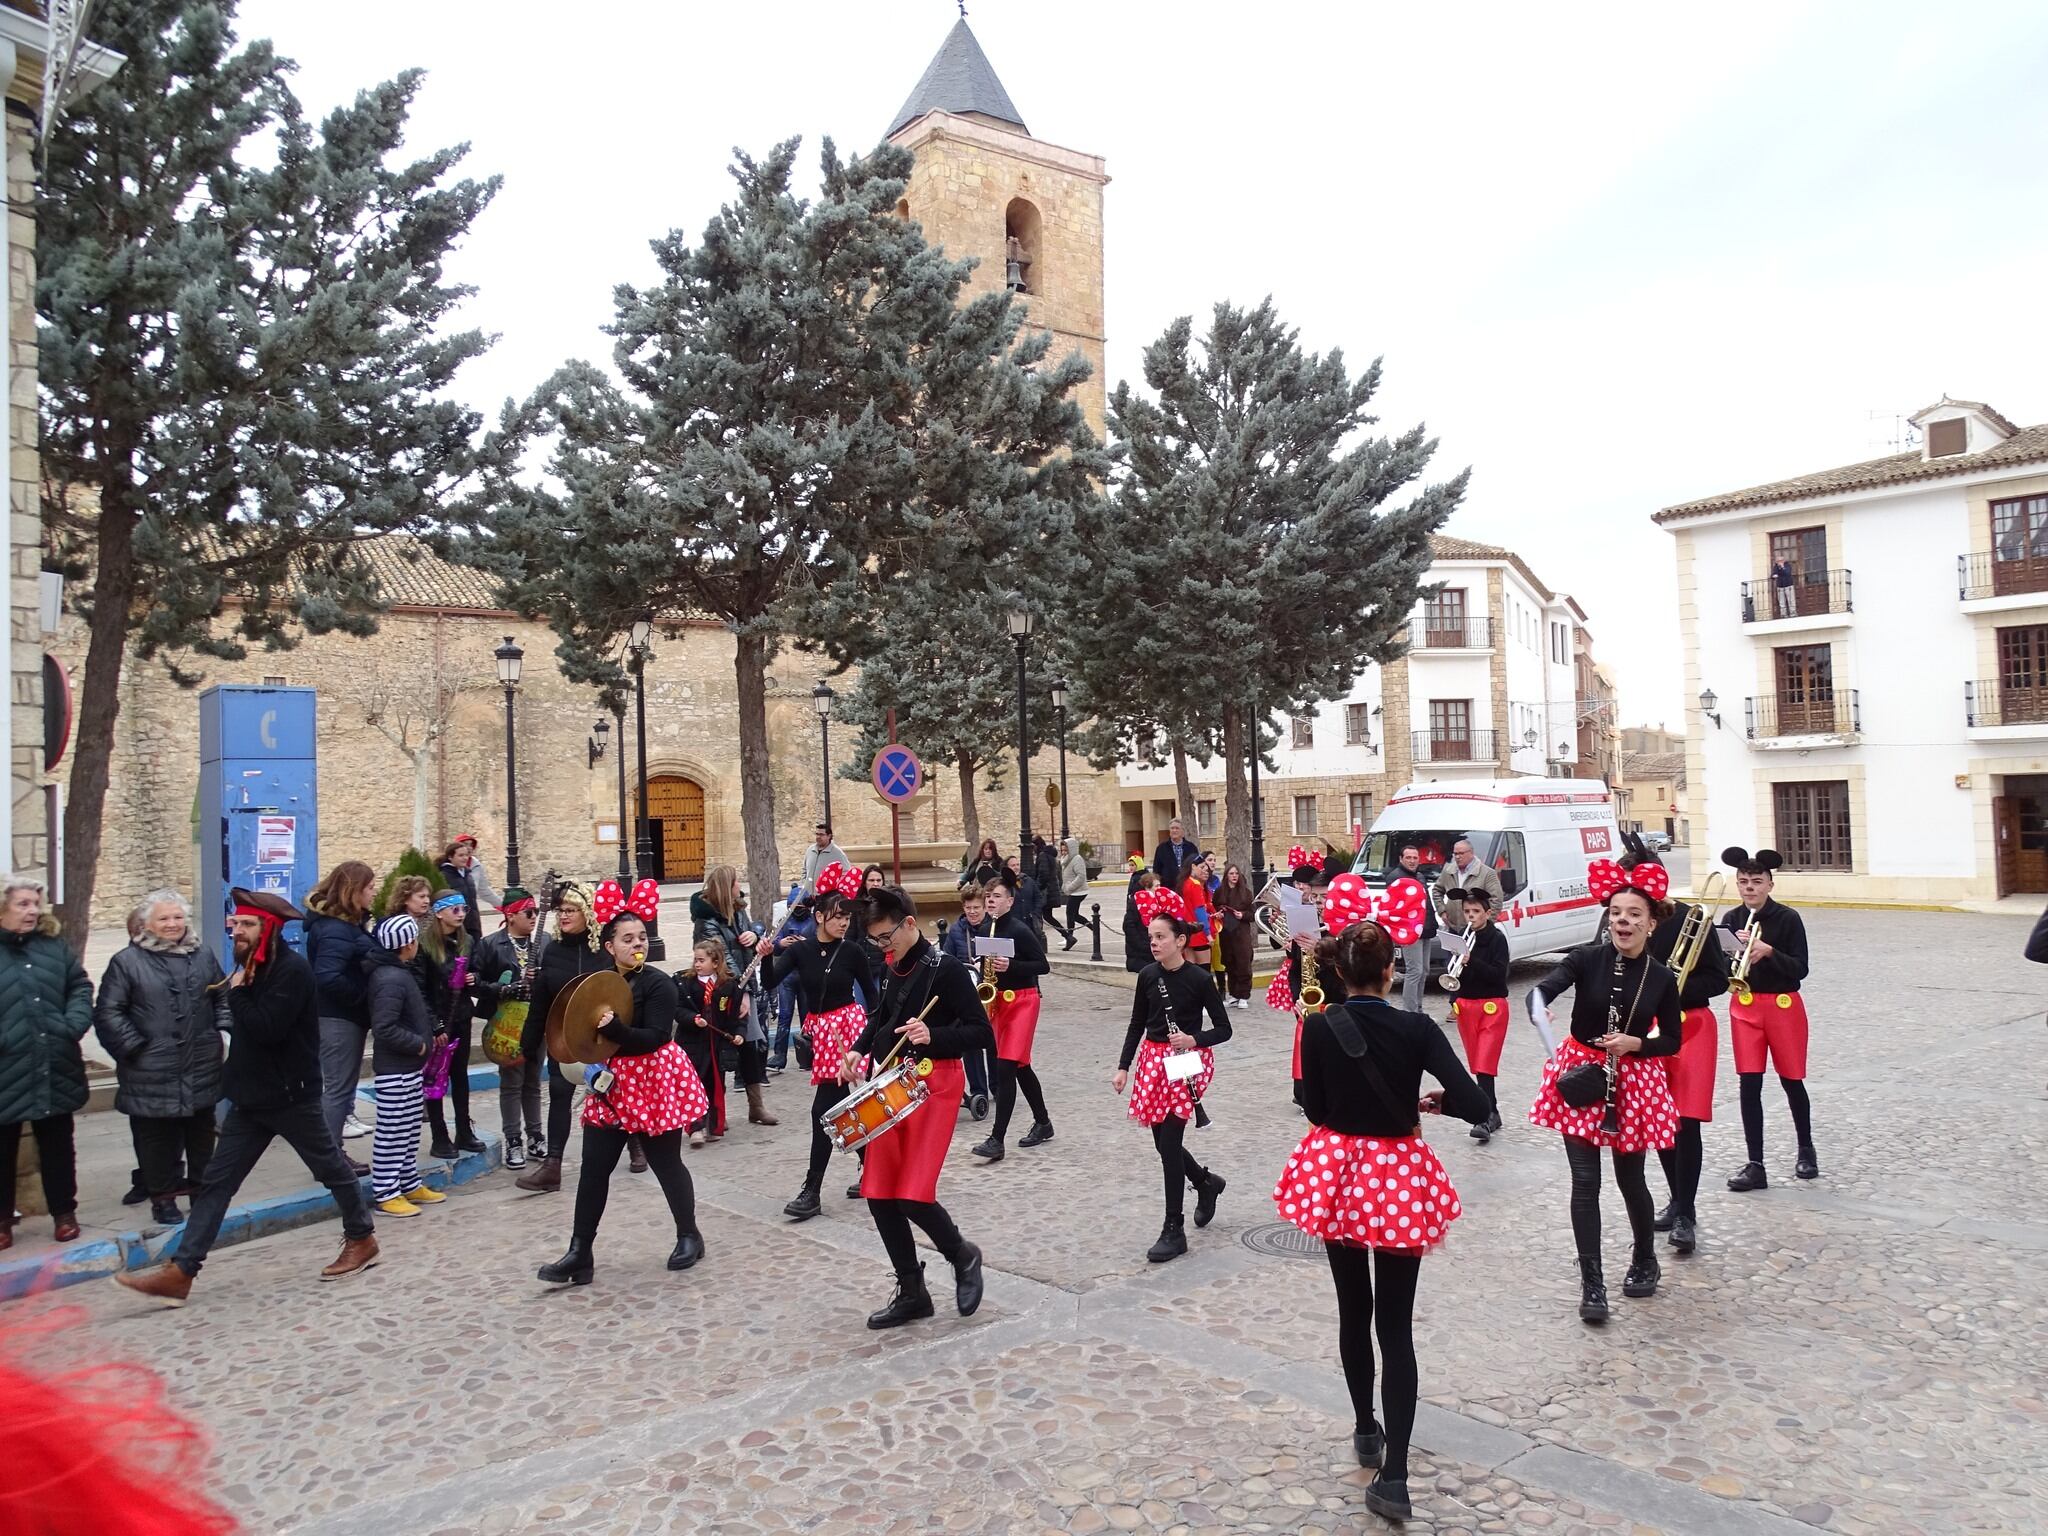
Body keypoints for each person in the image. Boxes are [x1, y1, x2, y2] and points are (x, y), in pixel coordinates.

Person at [1275, 919, 1490, 1523]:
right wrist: (1434, 1103)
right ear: (1392, 971)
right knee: (1397, 1327)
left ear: (1338, 974)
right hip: (1398, 1177)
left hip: (1341, 1175)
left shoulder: (1319, 1026)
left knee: (1353, 1308)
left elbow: (1313, 1106)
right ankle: (1394, 1476)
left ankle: (1366, 1429)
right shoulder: (1418, 1027)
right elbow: (1479, 1104)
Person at [115, 889, 378, 1304]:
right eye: (235, 924)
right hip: (252, 1098)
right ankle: (182, 1271)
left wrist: (235, 993)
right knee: (217, 1184)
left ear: (267, 929)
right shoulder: (251, 967)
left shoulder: (290, 972)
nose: (236, 931)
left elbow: (267, 1028)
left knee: (331, 1168)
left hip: (291, 1096)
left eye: (247, 925)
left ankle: (361, 1238)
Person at [1527, 861, 1682, 1323]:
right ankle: (1592, 1283)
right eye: (1616, 912)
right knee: (1585, 1182)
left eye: (1634, 914)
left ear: (1651, 923)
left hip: (1632, 1078)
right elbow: (1541, 993)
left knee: (1630, 1179)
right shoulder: (1585, 958)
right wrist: (1543, 1019)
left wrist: (1637, 1043)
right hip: (1582, 1077)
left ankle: (1644, 1258)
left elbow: (1672, 1039)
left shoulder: (1661, 976)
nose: (1623, 921)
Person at [537, 896, 709, 1285]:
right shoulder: (599, 982)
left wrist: (614, 1030)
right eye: (627, 938)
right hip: (611, 1085)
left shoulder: (659, 983)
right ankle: (580, 1253)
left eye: (642, 937)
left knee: (666, 1163)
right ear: (609, 946)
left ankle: (689, 1235)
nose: (637, 944)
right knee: (594, 1170)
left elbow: (655, 1036)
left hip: (650, 1083)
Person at [846, 886, 993, 1328]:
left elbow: (980, 1032)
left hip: (938, 1085)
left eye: (885, 937)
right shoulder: (894, 965)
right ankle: (913, 1291)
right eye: (874, 940)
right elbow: (882, 1018)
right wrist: (858, 1049)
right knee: (878, 1192)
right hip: (894, 1084)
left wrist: (935, 1036)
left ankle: (963, 1256)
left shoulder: (945, 970)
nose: (880, 947)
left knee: (912, 1194)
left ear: (910, 923)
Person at [92, 891, 230, 1227]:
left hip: (200, 1064)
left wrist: (222, 1035)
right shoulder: (128, 961)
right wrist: (136, 1048)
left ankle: (201, 1192)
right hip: (150, 1069)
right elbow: (109, 1012)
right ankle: (163, 1198)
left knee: (200, 1134)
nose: (172, 924)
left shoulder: (202, 955)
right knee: (157, 1140)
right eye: (164, 918)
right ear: (146, 925)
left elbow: (221, 998)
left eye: (178, 917)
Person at [1117, 888, 1231, 1262]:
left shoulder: (1199, 979)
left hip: (1186, 1060)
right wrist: (1123, 1067)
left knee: (1168, 1146)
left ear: (1180, 941)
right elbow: (1136, 1023)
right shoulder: (1147, 976)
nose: (1153, 942)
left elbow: (1224, 1029)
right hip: (1152, 1061)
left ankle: (1173, 1228)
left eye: (1161, 936)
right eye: (1151, 937)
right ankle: (1204, 1182)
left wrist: (1193, 1038)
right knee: (1161, 1144)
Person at [1630, 850, 1728, 1255]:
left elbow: (1718, 979)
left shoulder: (1694, 919)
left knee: (1687, 1121)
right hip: (1648, 1031)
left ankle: (1686, 1212)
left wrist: (1672, 987)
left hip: (1692, 1027)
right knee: (1662, 1122)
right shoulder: (1626, 921)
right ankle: (1677, 1199)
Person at [0, 876, 93, 1249]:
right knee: (2, 1148)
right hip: (7, 1065)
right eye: (23, 904)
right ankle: (3, 1220)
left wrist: (70, 1025)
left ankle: (64, 1213)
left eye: (36, 903)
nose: (32, 911)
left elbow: (80, 987)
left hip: (55, 1060)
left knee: (58, 1143)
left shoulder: (53, 947)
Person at [1719, 847, 1817, 1191]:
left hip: (1782, 1004)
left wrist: (1768, 951)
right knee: (1749, 1084)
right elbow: (1722, 971)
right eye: (1744, 882)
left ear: (1770, 884)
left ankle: (1806, 1149)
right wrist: (1731, 952)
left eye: (1757, 882)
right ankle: (1755, 1163)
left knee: (1792, 1080)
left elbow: (1801, 968)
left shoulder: (1787, 919)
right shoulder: (1731, 919)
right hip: (1745, 1006)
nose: (1750, 888)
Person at [780, 878, 874, 1221]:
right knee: (846, 1107)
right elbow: (772, 979)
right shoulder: (799, 950)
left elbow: (874, 999)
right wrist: (761, 954)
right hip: (821, 1035)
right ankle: (871, 1165)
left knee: (829, 1108)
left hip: (850, 1032)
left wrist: (872, 1039)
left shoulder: (852, 952)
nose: (843, 922)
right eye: (836, 916)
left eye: (847, 917)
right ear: (819, 916)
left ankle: (812, 1190)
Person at [515, 882, 611, 1194]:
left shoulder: (604, 950)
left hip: (602, 1038)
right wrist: (527, 1045)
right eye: (561, 911)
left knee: (613, 1092)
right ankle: (552, 1166)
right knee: (559, 1094)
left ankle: (637, 1145)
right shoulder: (553, 951)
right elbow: (540, 1005)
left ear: (587, 913)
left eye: (570, 911)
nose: (564, 917)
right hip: (563, 1039)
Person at [363, 914, 444, 1218]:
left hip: (409, 1069)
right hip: (396, 1069)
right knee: (392, 1131)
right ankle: (385, 1192)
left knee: (409, 1129)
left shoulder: (397, 972)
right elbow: (383, 1027)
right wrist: (418, 1044)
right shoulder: (389, 978)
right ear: (407, 944)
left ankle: (408, 1182)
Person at [970, 872, 1054, 1163]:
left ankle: (997, 1139)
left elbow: (1042, 966)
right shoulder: (985, 927)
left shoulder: (1019, 929)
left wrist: (1013, 965)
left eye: (997, 897)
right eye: (988, 896)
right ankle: (1043, 1123)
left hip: (1023, 1001)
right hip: (999, 1003)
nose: (991, 901)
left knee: (1005, 1067)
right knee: (1020, 1067)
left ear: (1010, 900)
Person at [304, 859, 379, 1161]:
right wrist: (362, 996)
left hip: (343, 1016)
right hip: (338, 1018)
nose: (374, 893)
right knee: (338, 1088)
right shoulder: (336, 929)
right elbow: (328, 976)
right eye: (370, 888)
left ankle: (330, 1153)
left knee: (341, 1086)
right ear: (353, 891)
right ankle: (329, 1157)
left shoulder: (346, 925)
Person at [470, 886, 547, 1169]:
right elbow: (474, 981)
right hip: (507, 1025)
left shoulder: (545, 942)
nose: (534, 917)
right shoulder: (491, 945)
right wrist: (504, 989)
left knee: (533, 1081)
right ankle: (513, 1139)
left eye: (537, 912)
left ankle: (536, 1135)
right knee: (511, 1083)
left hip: (536, 1022)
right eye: (529, 912)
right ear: (511, 915)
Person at [419, 890, 484, 1159]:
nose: (460, 915)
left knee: (460, 1076)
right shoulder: (425, 945)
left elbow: (479, 970)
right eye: (454, 910)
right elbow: (420, 988)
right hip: (437, 1022)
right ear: (439, 912)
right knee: (435, 1078)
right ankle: (439, 1135)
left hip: (461, 1018)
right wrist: (434, 1026)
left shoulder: (467, 940)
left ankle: (464, 1130)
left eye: (463, 910)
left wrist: (474, 978)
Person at [1444, 889, 1511, 1143]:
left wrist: (1471, 960)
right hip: (1467, 1005)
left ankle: (1486, 1117)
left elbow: (1498, 974)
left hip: (1492, 1006)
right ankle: (1492, 1110)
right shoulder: (1464, 936)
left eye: (1476, 912)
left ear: (1487, 913)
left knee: (1485, 1063)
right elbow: (1458, 975)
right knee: (1476, 1064)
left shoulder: (1496, 939)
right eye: (1467, 912)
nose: (1471, 917)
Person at [681, 938, 742, 1146]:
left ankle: (714, 1124)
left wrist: (738, 1033)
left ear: (715, 963)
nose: (697, 964)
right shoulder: (685, 983)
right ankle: (694, 1128)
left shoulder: (728, 986)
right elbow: (678, 1010)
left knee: (716, 1086)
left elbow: (735, 1016)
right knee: (692, 1085)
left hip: (716, 1046)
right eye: (695, 960)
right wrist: (691, 1019)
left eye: (701, 960)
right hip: (692, 1045)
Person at [939, 887, 994, 1118]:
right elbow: (947, 958)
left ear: (984, 908)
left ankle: (999, 1085)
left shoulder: (993, 929)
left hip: (990, 989)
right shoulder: (956, 932)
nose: (972, 912)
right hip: (965, 990)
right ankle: (978, 1090)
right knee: (970, 1041)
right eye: (968, 908)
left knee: (993, 1042)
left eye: (977, 908)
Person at [1394, 844, 1438, 1012]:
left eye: (1415, 858)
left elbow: (1425, 904)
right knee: (1415, 971)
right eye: (1408, 858)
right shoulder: (1397, 877)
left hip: (1425, 930)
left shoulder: (1419, 875)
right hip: (1411, 932)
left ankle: (1418, 1009)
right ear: (1401, 859)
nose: (1412, 861)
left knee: (1424, 971)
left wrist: (1432, 924)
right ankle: (1410, 1011)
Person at [1433, 839, 1503, 935]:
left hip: (1477, 930)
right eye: (1455, 854)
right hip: (1453, 928)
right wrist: (1442, 911)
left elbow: (1496, 900)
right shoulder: (1448, 870)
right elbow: (1437, 890)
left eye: (1461, 853)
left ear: (1471, 853)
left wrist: (1485, 923)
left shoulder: (1487, 873)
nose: (1457, 857)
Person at [437, 834, 497, 942]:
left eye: (466, 855)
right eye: (461, 855)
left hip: (473, 924)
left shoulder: (469, 873)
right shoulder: (444, 875)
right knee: (460, 957)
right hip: (456, 926)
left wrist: (502, 905)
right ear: (450, 857)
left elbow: (484, 891)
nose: (465, 857)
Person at [1178, 852, 1216, 976]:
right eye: (1201, 867)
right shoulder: (1195, 885)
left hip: (1187, 930)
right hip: (1199, 933)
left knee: (1190, 969)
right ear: (1193, 867)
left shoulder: (1183, 883)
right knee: (1204, 971)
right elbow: (1199, 911)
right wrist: (1208, 933)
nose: (1204, 871)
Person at [1056, 837, 1089, 952]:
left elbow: (1081, 876)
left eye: (1066, 850)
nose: (1064, 852)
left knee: (1070, 914)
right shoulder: (1065, 859)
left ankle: (1069, 937)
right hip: (1073, 891)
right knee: (1074, 915)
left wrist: (1069, 887)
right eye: (1062, 850)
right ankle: (1093, 927)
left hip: (1079, 891)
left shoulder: (1077, 859)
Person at [1122, 864, 1157, 974]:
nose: (1159, 889)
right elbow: (1129, 927)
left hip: (1153, 953)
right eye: (1156, 886)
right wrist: (1144, 946)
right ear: (1147, 887)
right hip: (1140, 955)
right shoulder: (1136, 903)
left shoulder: (1159, 902)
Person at [1153, 818, 1199, 891]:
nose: (1174, 830)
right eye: (1172, 828)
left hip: (1188, 887)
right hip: (1167, 888)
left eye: (1177, 828)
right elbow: (1156, 870)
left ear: (1182, 831)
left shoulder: (1191, 847)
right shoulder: (1161, 848)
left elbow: (1197, 866)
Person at [802, 823, 848, 894]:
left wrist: (834, 889)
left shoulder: (837, 853)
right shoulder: (810, 850)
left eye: (821, 835)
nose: (818, 837)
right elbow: (804, 870)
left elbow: (846, 873)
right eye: (817, 834)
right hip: (808, 895)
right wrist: (805, 885)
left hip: (826, 896)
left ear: (829, 836)